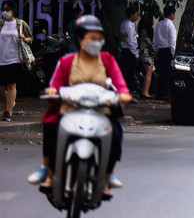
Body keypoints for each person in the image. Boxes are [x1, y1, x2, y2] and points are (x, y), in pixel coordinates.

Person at [31, 15, 132, 197]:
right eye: (89, 37)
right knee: (52, 127)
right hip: (71, 107)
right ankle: (48, 170)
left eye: (96, 37)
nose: (93, 41)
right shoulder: (67, 61)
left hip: (100, 109)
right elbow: (56, 83)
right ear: (80, 40)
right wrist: (53, 90)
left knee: (116, 132)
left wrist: (124, 94)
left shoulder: (107, 60)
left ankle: (107, 177)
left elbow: (119, 81)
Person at [0, 1, 32, 121]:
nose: (5, 12)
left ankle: (7, 112)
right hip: (1, 58)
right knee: (1, 88)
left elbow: (31, 38)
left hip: (15, 58)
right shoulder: (1, 24)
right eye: (3, 9)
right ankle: (11, 103)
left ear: (13, 10)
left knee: (12, 85)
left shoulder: (20, 24)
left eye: (7, 9)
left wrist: (25, 38)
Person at [152, 5, 177, 101]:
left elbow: (155, 39)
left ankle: (159, 94)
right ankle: (164, 94)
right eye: (174, 13)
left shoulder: (158, 24)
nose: (174, 15)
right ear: (171, 14)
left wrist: (156, 51)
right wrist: (173, 54)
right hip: (167, 51)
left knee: (161, 73)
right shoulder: (170, 25)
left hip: (160, 51)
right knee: (167, 74)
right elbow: (172, 42)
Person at [118, 5, 139, 98]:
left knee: (126, 72)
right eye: (136, 14)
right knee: (129, 72)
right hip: (129, 51)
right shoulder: (128, 25)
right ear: (131, 15)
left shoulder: (125, 23)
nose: (137, 16)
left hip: (125, 50)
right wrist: (136, 54)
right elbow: (131, 41)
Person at [137, 16, 156, 98]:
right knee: (148, 72)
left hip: (148, 53)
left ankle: (145, 91)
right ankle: (145, 92)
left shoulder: (144, 31)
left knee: (149, 72)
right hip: (146, 53)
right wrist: (156, 51)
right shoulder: (144, 31)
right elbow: (149, 44)